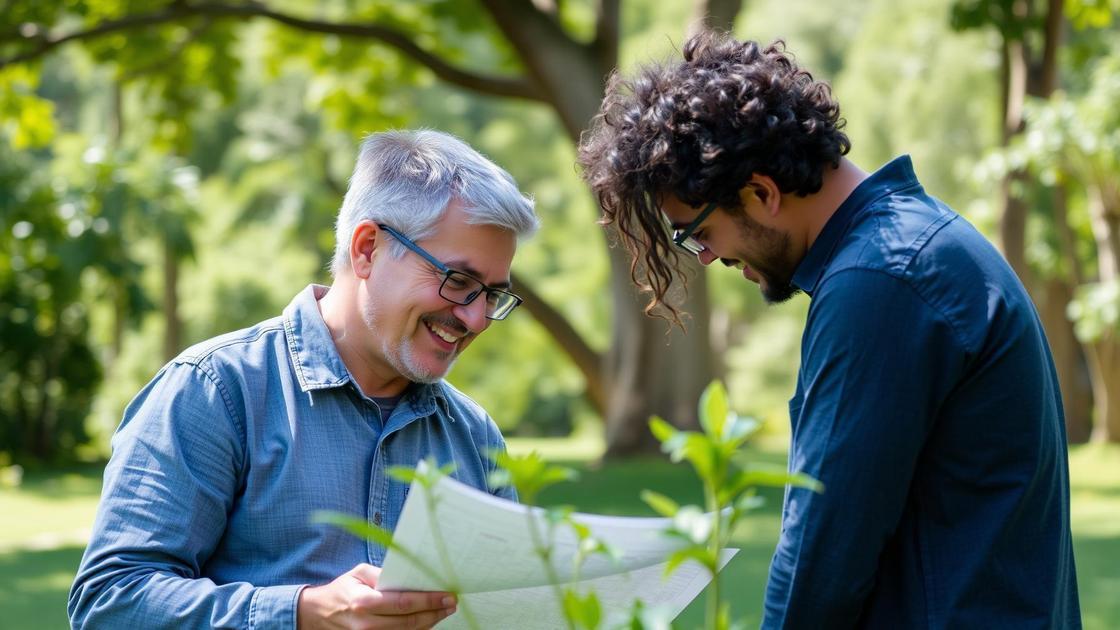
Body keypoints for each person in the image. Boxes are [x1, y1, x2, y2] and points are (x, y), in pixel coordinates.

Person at [578, 32, 1080, 628]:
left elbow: (822, 551)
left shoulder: (880, 282)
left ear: (760, 192)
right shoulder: (914, 243)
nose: (705, 258)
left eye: (695, 233)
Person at [68, 129, 539, 629]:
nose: (476, 320)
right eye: (459, 281)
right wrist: (301, 613)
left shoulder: (474, 434)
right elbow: (109, 603)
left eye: (491, 295)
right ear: (367, 249)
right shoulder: (214, 390)